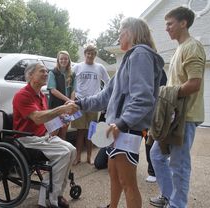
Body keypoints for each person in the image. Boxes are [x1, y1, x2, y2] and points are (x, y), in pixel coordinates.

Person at [72, 17, 164, 208]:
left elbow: (143, 98)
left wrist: (121, 123)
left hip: (126, 129)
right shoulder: (128, 59)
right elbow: (105, 96)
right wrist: (79, 104)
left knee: (128, 183)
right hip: (116, 128)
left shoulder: (140, 55)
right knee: (114, 175)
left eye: (120, 32)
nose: (118, 36)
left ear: (130, 33)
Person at [150, 7, 206, 208]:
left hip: (186, 116)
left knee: (179, 165)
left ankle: (177, 204)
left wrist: (166, 95)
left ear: (183, 23)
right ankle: (168, 196)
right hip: (172, 116)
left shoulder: (193, 47)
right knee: (156, 155)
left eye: (169, 24)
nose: (166, 28)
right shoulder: (179, 49)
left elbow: (194, 83)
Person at [13, 62, 78, 208]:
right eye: (42, 71)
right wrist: (62, 109)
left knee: (72, 150)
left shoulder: (41, 95)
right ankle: (49, 198)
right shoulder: (22, 95)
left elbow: (46, 119)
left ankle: (57, 193)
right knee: (62, 153)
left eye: (47, 71)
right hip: (26, 139)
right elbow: (37, 118)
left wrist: (60, 120)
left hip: (42, 137)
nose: (46, 74)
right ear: (30, 75)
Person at [71, 45, 110, 165]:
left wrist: (102, 97)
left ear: (95, 55)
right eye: (88, 53)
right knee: (80, 131)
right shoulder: (77, 67)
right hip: (80, 103)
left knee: (91, 131)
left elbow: (108, 82)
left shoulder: (100, 67)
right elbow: (71, 83)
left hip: (94, 104)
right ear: (85, 54)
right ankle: (77, 157)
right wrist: (73, 97)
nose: (90, 55)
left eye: (92, 53)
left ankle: (89, 156)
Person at [47, 51, 74, 140]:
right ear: (58, 60)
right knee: (54, 132)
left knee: (64, 132)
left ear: (69, 60)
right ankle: (51, 152)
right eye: (61, 58)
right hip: (55, 107)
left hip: (67, 108)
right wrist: (68, 100)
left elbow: (74, 90)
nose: (63, 60)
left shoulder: (72, 74)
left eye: (66, 59)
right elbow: (53, 90)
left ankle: (63, 152)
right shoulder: (53, 73)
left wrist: (71, 103)